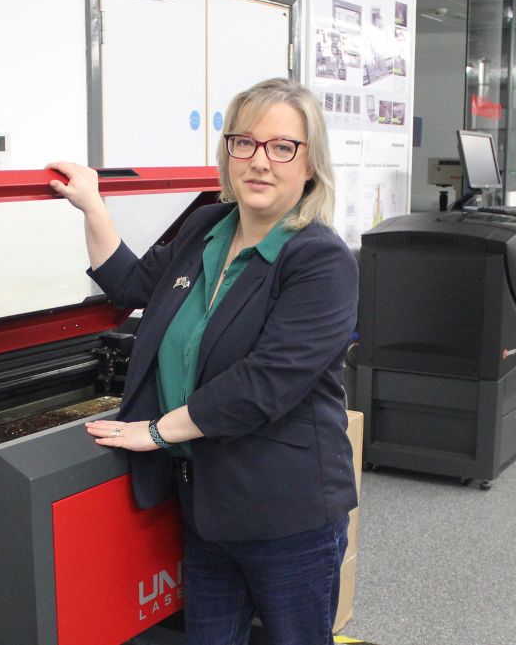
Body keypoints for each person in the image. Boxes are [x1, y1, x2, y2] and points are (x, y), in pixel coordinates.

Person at [48, 77, 358, 645]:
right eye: (245, 143)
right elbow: (129, 283)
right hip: (205, 504)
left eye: (282, 146)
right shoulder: (205, 227)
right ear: (228, 152)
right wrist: (92, 203)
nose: (260, 161)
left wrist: (157, 432)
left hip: (285, 512)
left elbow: (264, 383)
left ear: (310, 162)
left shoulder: (321, 261)